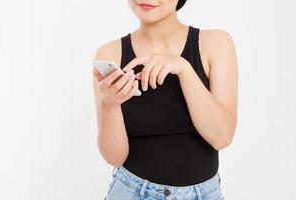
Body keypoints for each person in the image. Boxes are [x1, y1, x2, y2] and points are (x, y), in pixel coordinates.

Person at [92, 0, 238, 199]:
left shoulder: (215, 43)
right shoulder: (110, 53)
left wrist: (184, 70)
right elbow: (114, 157)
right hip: (130, 191)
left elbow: (222, 137)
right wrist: (110, 104)